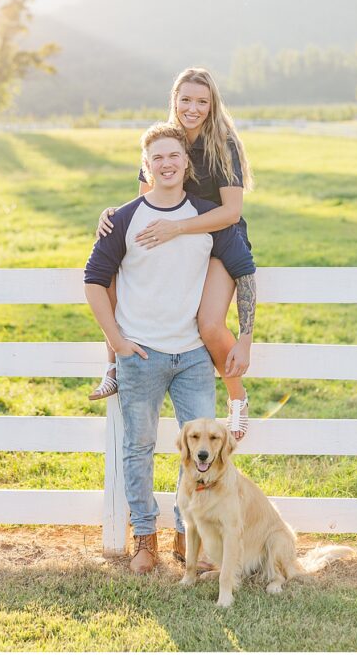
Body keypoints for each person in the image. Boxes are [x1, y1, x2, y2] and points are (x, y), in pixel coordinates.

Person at [84, 121, 257, 574]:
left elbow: (244, 271)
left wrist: (244, 334)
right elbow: (94, 282)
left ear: (186, 163)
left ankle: (189, 540)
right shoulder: (122, 218)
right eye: (156, 157)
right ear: (147, 165)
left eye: (173, 156)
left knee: (202, 453)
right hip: (140, 355)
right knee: (137, 448)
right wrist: (118, 341)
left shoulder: (205, 218)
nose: (166, 164)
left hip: (194, 358)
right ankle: (145, 539)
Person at [89, 67, 256, 441]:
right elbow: (143, 199)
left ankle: (237, 397)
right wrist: (113, 214)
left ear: (212, 105)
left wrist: (178, 226)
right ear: (174, 101)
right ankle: (114, 364)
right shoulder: (165, 141)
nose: (192, 108)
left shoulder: (223, 143)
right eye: (185, 100)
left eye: (202, 101)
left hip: (217, 238)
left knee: (210, 324)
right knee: (114, 266)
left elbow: (231, 212)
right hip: (171, 235)